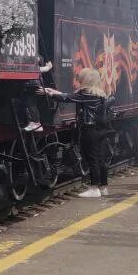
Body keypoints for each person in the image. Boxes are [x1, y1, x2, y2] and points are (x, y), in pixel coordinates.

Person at [41, 67, 114, 198]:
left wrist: (50, 93)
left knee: (92, 159)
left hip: (89, 130)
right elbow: (72, 96)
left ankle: (94, 188)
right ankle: (103, 187)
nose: (79, 79)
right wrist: (54, 91)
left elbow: (68, 98)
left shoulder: (86, 94)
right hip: (101, 130)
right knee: (100, 159)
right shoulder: (100, 94)